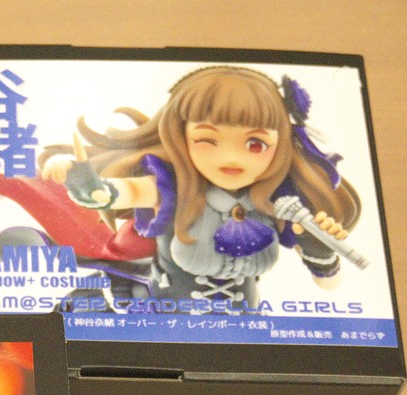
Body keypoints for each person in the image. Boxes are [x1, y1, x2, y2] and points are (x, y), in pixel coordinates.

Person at [40, 66, 361, 307]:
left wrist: (321, 254)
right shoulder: (174, 188)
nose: (231, 158)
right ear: (182, 138)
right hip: (164, 326)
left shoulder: (277, 202)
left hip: (243, 335)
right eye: (208, 140)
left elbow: (329, 286)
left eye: (255, 144)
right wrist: (92, 189)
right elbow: (128, 191)